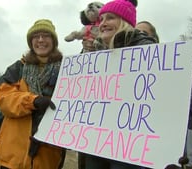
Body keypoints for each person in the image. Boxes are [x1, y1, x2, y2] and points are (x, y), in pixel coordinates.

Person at [81, 0, 156, 169]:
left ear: (125, 22)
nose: (103, 23)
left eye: (111, 18)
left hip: (130, 148)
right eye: (101, 19)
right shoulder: (94, 52)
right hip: (96, 143)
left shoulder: (147, 49)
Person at [0, 19, 66, 169]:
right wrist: (33, 101)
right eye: (36, 36)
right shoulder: (17, 68)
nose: (41, 40)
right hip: (13, 156)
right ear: (30, 42)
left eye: (46, 35)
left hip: (48, 156)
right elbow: (4, 99)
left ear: (53, 41)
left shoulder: (67, 69)